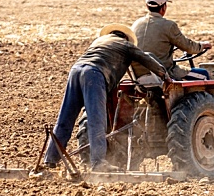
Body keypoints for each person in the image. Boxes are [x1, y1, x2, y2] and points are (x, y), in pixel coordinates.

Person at [43, 24, 170, 172]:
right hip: (95, 74)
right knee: (96, 119)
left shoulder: (100, 42)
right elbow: (146, 59)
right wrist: (164, 75)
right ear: (126, 38)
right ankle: (98, 162)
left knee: (65, 118)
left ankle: (50, 159)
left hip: (75, 71)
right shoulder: (126, 45)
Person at [131, 0, 212, 81]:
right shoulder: (169, 26)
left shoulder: (136, 24)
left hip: (138, 74)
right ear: (164, 7)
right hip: (163, 73)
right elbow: (188, 47)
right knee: (203, 74)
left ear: (147, 6)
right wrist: (202, 45)